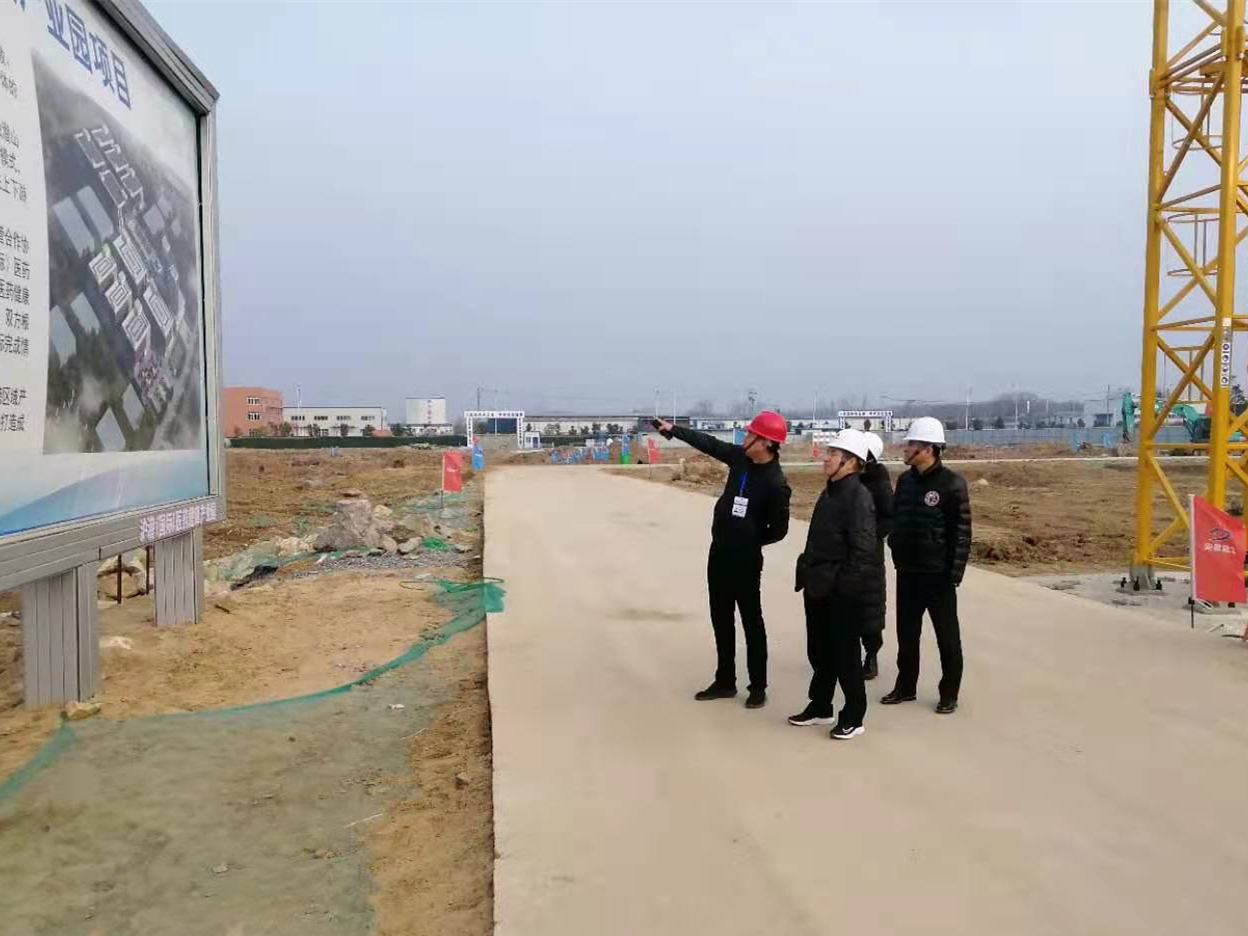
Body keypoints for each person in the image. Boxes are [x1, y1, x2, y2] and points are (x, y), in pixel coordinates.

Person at [652, 412, 791, 709]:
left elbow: (779, 530)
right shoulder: (739, 458)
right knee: (721, 618)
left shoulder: (776, 483)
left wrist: (750, 541)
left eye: (750, 434)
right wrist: (673, 429)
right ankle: (725, 680)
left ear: (765, 443)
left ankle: (758, 687)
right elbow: (708, 443)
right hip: (719, 554)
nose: (745, 438)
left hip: (746, 561)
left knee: (751, 622)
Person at [788, 429, 877, 740]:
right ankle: (820, 706)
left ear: (850, 462)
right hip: (818, 584)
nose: (826, 458)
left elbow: (863, 551)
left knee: (845, 655)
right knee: (820, 651)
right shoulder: (831, 491)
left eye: (833, 454)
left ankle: (854, 716)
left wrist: (843, 588)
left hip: (840, 591)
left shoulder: (858, 497)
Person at [880, 417, 972, 714]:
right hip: (908, 571)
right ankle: (906, 686)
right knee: (907, 635)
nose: (906, 449)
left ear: (929, 449)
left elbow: (961, 533)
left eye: (911, 444)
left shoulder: (952, 484)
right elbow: (896, 518)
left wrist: (954, 574)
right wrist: (895, 544)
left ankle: (949, 693)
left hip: (938, 576)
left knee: (947, 638)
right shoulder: (906, 482)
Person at [859, 432, 893, 681]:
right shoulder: (846, 476)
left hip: (869, 555)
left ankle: (871, 654)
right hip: (844, 551)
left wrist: (868, 539)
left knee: (869, 607)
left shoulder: (878, 480)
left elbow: (888, 517)